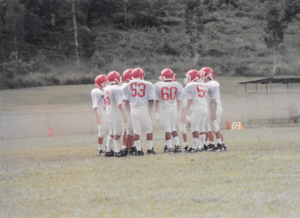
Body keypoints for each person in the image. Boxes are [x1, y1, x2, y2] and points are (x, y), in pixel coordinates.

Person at [123, 68, 156, 156]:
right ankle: (150, 149)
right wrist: (149, 111)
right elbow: (151, 100)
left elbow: (126, 102)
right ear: (142, 75)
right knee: (149, 129)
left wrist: (129, 112)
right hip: (143, 108)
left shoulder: (127, 85)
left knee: (136, 131)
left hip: (133, 109)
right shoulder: (148, 84)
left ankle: (138, 150)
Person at [154, 68, 185, 153]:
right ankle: (178, 146)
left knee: (167, 129)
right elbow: (179, 98)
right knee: (173, 128)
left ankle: (170, 147)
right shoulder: (177, 84)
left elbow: (157, 100)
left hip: (164, 108)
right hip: (174, 107)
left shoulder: (157, 85)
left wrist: (156, 112)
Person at [201, 67, 227, 151]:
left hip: (214, 107)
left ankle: (219, 145)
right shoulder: (206, 84)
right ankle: (222, 144)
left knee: (213, 126)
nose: (201, 77)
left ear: (208, 75)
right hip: (213, 106)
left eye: (203, 75)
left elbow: (213, 99)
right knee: (214, 127)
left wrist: (212, 112)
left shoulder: (212, 83)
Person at [103, 71, 128, 157]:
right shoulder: (117, 88)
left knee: (111, 132)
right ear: (116, 79)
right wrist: (124, 115)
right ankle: (117, 151)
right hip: (115, 113)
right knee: (117, 133)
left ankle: (108, 150)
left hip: (109, 112)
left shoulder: (106, 88)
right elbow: (119, 104)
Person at [184, 69, 208, 153]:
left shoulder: (190, 85)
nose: (187, 79)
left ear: (193, 77)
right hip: (205, 107)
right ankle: (201, 146)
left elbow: (190, 100)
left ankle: (194, 147)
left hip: (197, 108)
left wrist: (185, 111)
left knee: (195, 128)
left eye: (188, 77)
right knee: (202, 128)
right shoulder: (203, 85)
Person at [91, 74, 109, 156]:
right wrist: (97, 116)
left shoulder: (104, 90)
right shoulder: (96, 91)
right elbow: (95, 106)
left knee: (110, 130)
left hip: (106, 110)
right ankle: (100, 150)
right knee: (102, 132)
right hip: (100, 111)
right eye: (105, 82)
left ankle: (107, 147)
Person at [120, 69, 136, 155]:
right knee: (130, 129)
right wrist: (130, 113)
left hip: (122, 109)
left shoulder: (122, 86)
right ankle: (131, 148)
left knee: (125, 129)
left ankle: (125, 146)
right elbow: (127, 101)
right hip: (127, 108)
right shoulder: (129, 86)